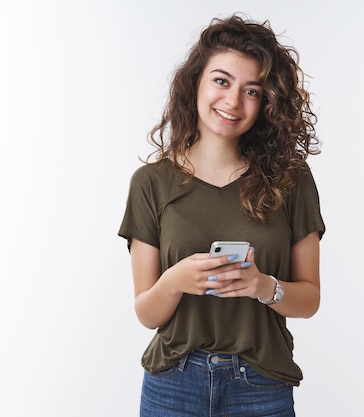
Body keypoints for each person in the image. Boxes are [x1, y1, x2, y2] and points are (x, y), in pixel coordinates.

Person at [118, 14, 325, 417]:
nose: (233, 101)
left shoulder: (291, 180)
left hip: (261, 385)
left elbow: (310, 299)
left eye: (252, 90)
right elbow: (147, 313)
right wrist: (176, 280)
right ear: (195, 81)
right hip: (173, 384)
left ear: (266, 102)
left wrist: (262, 285)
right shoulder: (150, 182)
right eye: (221, 80)